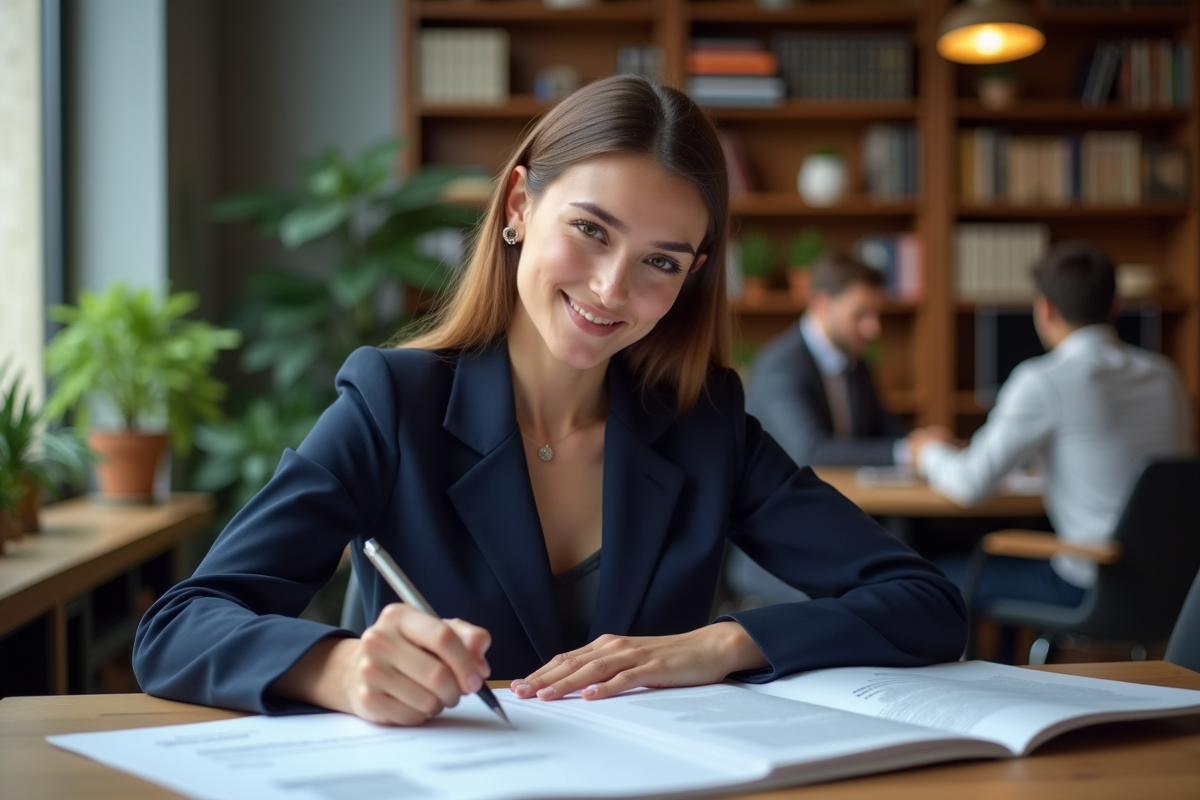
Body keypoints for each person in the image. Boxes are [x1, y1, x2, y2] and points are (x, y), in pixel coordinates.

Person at [134, 76, 967, 726]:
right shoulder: (394, 403)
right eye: (592, 230)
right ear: (520, 205)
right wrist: (340, 669)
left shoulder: (705, 424)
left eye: (662, 262)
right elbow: (181, 625)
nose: (612, 289)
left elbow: (926, 605)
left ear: (692, 277)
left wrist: (721, 645)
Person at [914, 241, 1192, 609]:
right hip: (1173, 586)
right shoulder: (1165, 375)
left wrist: (927, 451)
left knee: (928, 573)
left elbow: (969, 485)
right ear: (1114, 307)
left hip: (1090, 586)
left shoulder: (1044, 380)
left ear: (1044, 308)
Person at [746, 252, 951, 468]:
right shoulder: (780, 367)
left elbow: (882, 426)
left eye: (876, 314)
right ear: (821, 304)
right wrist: (908, 453)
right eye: (860, 314)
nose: (873, 329)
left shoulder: (855, 362)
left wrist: (923, 442)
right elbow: (811, 452)